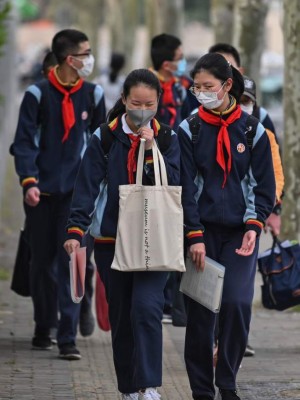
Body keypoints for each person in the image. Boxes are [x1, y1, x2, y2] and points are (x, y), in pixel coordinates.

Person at [63, 68, 180, 400]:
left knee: (147, 308)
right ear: (125, 100)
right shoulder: (105, 137)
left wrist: (152, 149)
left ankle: (150, 385)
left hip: (154, 240)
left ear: (158, 102)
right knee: (122, 314)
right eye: (136, 103)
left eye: (150, 103)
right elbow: (86, 186)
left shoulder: (169, 137)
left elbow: (175, 182)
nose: (142, 110)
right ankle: (129, 387)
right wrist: (75, 229)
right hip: (111, 243)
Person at [178, 53, 275, 400]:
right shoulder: (189, 129)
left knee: (236, 304)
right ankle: (201, 390)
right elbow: (185, 187)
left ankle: (228, 381)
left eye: (209, 86)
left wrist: (254, 224)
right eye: (197, 87)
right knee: (202, 313)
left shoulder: (253, 131)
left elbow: (264, 186)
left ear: (228, 85)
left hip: (239, 235)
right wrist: (193, 234)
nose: (202, 92)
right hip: (200, 234)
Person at [12, 28, 106, 360]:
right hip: (41, 195)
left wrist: (98, 189)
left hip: (77, 199)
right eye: (86, 52)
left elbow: (99, 145)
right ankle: (43, 325)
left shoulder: (93, 95)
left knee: (75, 263)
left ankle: (68, 336)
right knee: (41, 264)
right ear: (71, 59)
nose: (90, 59)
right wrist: (29, 181)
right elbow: (23, 143)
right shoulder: (37, 95)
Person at [150, 33, 190, 326]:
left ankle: (174, 302)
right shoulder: (148, 89)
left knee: (178, 232)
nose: (182, 63)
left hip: (178, 167)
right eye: (179, 58)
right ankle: (162, 299)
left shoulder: (181, 88)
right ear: (167, 63)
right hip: (153, 170)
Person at [208, 43, 277, 137]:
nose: (223, 75)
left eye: (229, 67)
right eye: (216, 69)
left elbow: (272, 149)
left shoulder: (260, 116)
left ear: (240, 71)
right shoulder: (197, 118)